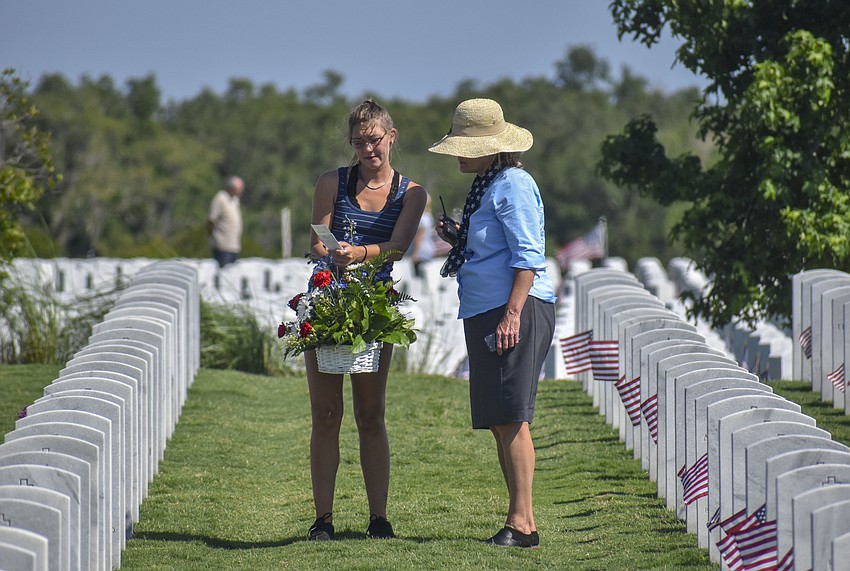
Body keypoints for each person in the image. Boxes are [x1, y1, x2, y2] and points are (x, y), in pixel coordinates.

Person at [429, 98, 556, 548]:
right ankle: (519, 517)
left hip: (513, 309)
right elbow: (496, 247)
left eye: (465, 145)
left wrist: (512, 315)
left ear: (490, 147)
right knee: (501, 418)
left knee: (512, 415)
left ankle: (523, 523)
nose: (459, 153)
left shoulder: (513, 184)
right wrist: (460, 237)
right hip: (490, 308)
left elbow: (527, 258)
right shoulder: (489, 183)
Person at [305, 99, 427, 541]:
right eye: (359, 142)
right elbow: (318, 238)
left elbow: (399, 245)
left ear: (391, 137)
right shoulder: (330, 182)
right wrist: (332, 254)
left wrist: (359, 254)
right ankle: (323, 519)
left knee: (371, 413)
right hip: (329, 299)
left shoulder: (411, 193)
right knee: (325, 412)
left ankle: (379, 517)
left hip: (375, 305)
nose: (368, 149)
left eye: (375, 139)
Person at [207, 175, 244, 268]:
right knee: (224, 272)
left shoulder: (235, 200)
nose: (240, 192)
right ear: (231, 188)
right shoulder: (220, 198)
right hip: (222, 246)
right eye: (238, 189)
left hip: (234, 246)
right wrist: (212, 237)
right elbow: (211, 220)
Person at [407, 193, 436, 278]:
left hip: (421, 250)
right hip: (429, 248)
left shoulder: (421, 218)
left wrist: (415, 253)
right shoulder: (429, 216)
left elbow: (419, 237)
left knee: (416, 277)